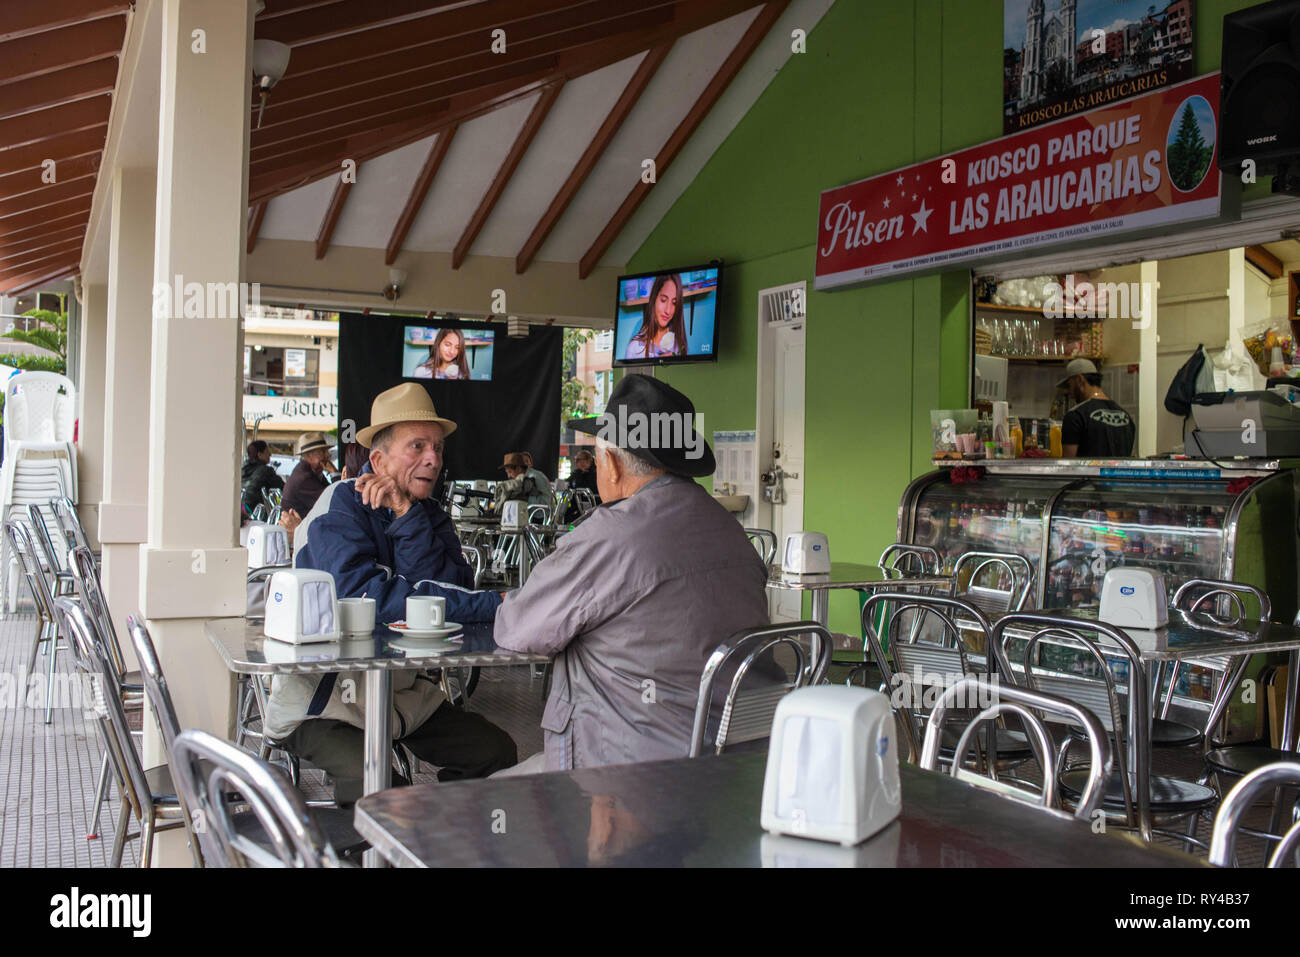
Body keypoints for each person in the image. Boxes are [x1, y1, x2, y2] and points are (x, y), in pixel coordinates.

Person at [493, 375, 770, 773]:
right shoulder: (729, 529)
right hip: (736, 769)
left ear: (613, 464)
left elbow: (518, 629)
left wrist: (505, 603)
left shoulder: (611, 535)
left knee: (478, 804)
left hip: (626, 777)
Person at [265, 383, 517, 802]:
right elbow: (368, 603)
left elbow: (448, 595)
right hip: (324, 705)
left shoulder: (429, 514)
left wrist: (405, 515)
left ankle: (445, 843)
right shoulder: (339, 506)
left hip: (402, 698)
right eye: (417, 446)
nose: (433, 458)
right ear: (378, 460)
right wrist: (494, 603)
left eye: (437, 447)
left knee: (496, 753)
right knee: (387, 792)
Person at [1059, 358, 1136, 458]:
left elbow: (1068, 465)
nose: (1070, 393)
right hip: (1118, 474)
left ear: (1079, 380)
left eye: (1070, 385)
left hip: (1088, 474)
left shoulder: (1075, 416)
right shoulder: (1126, 417)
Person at [625, 274, 687, 360]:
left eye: (674, 303)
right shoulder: (635, 348)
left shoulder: (679, 343)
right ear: (654, 299)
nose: (668, 311)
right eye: (663, 300)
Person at [281, 431, 339, 517]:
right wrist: (334, 473)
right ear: (308, 456)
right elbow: (334, 501)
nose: (328, 455)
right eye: (323, 452)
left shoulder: (311, 472)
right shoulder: (304, 477)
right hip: (299, 527)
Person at [240, 440, 283, 517]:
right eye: (267, 452)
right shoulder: (266, 471)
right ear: (259, 454)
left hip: (242, 512)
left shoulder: (243, 469)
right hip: (258, 514)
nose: (270, 454)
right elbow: (283, 488)